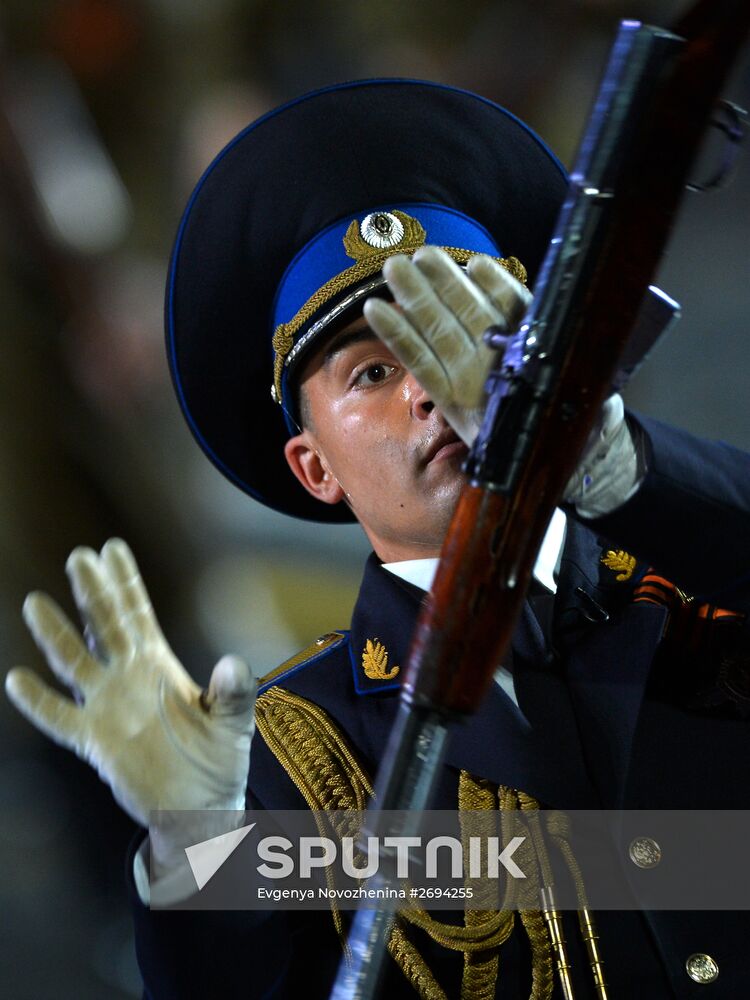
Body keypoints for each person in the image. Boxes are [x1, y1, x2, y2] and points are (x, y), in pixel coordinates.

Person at [6, 79, 750, 999]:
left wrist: (617, 463)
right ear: (314, 467)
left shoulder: (710, 589)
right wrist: (196, 851)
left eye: (468, 340)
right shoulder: (281, 760)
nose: (431, 391)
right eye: (370, 370)